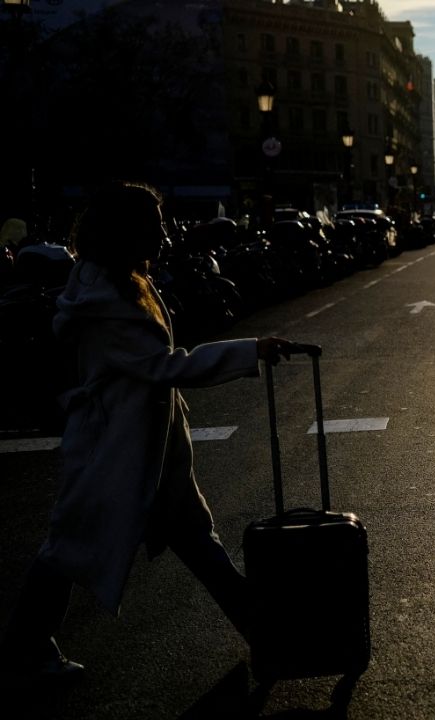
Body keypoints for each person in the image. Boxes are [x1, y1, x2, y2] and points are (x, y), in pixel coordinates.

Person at [0, 182, 302, 680]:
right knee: (68, 550)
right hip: (112, 451)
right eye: (153, 224)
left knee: (194, 541)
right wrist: (252, 349)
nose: (163, 233)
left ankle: (264, 633)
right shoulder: (106, 301)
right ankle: (24, 648)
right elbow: (165, 367)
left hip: (146, 449)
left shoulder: (120, 282)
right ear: (127, 233)